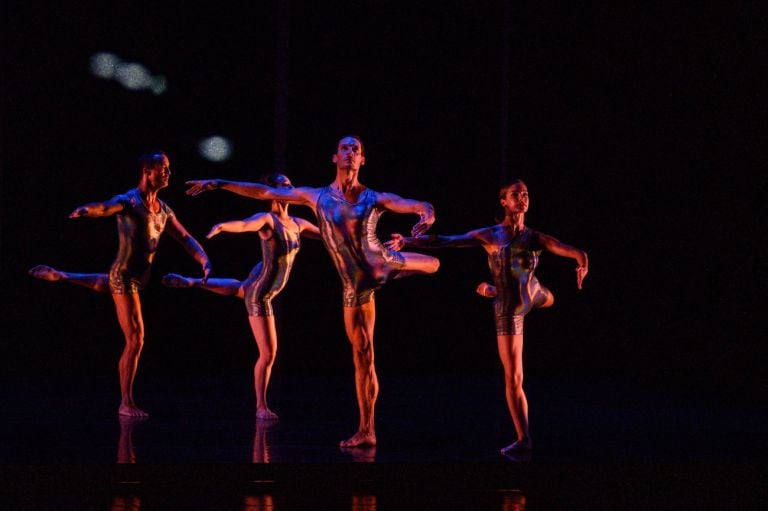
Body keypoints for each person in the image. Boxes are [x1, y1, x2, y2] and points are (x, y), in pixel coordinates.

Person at [185, 135, 440, 447]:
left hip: (383, 264)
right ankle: (367, 430)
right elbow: (265, 191)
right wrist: (219, 182)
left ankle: (399, 259)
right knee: (363, 356)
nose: (351, 152)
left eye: (356, 149)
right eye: (345, 148)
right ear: (335, 157)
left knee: (434, 263)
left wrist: (426, 213)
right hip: (355, 288)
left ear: (362, 160)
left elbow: (411, 203)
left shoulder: (374, 197)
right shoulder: (316, 197)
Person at [385, 178, 588, 458]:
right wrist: (407, 240)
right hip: (510, 309)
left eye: (526, 194)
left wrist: (582, 262)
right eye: (516, 194)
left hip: (532, 295)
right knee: (514, 377)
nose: (523, 198)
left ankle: (503, 289)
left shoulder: (535, 237)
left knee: (546, 296)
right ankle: (523, 438)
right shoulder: (491, 235)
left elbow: (571, 250)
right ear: (504, 202)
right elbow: (447, 241)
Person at [29, 151, 211, 417]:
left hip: (139, 278)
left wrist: (203, 258)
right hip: (125, 276)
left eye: (169, 168)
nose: (169, 173)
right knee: (136, 338)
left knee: (110, 287)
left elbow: (184, 237)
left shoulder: (164, 210)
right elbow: (105, 207)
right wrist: (86, 210)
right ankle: (126, 402)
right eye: (163, 168)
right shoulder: (129, 201)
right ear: (147, 172)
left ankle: (63, 275)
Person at [162, 173, 320, 420]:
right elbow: (246, 224)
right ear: (272, 192)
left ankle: (191, 281)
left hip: (259, 281)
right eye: (284, 185)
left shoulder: (298, 223)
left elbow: (331, 238)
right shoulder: (267, 219)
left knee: (242, 288)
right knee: (268, 353)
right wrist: (224, 226)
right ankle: (260, 407)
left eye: (291, 184)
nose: (291, 187)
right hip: (262, 295)